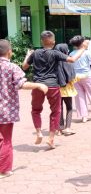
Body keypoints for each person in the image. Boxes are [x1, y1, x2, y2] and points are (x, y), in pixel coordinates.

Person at [22, 31, 85, 149]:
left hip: (38, 86)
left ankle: (39, 132)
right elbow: (72, 59)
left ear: (41, 41)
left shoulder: (35, 53)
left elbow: (24, 66)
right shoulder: (55, 53)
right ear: (54, 42)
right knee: (56, 111)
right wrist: (82, 49)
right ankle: (51, 138)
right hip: (52, 86)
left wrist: (27, 55)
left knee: (36, 110)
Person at [0, 39, 48, 179]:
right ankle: (4, 169)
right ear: (10, 52)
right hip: (5, 111)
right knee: (5, 140)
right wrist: (38, 85)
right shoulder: (12, 68)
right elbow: (21, 84)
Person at [69, 36, 91, 123]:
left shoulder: (72, 53)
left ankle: (84, 116)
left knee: (79, 97)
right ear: (81, 43)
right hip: (86, 76)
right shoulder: (86, 52)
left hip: (76, 77)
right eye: (84, 42)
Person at [55, 43, 77, 136]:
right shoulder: (68, 61)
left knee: (59, 108)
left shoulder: (54, 62)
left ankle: (59, 128)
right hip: (67, 89)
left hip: (56, 88)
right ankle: (67, 128)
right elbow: (72, 76)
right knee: (69, 108)